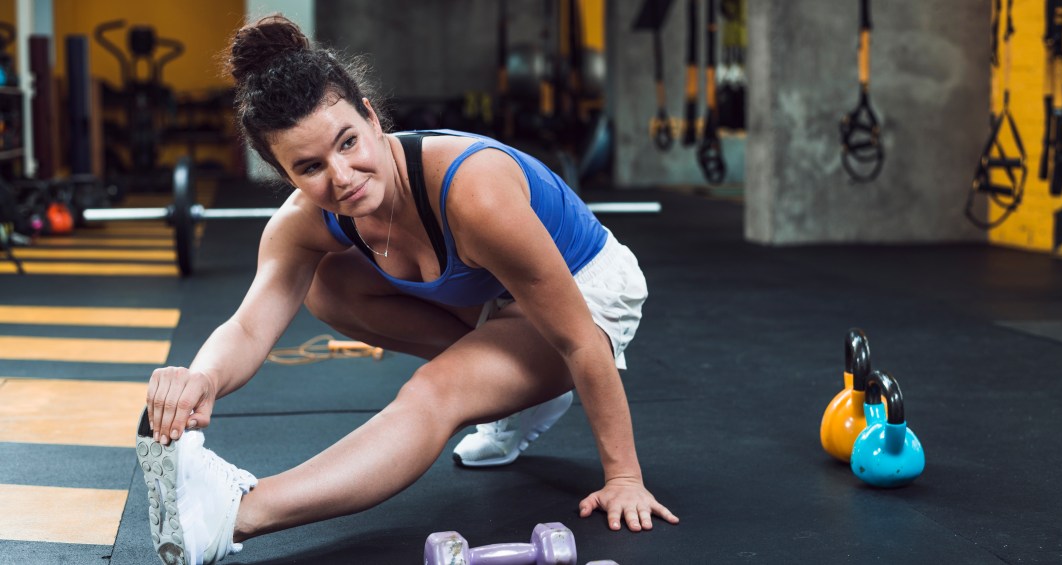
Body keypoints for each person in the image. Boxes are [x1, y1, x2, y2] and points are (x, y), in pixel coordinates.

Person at [137, 14, 678, 565]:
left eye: (348, 142)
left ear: (372, 117)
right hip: (496, 300)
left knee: (435, 392)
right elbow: (251, 324)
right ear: (283, 173)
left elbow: (580, 339)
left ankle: (235, 514)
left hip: (587, 297)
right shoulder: (302, 222)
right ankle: (509, 388)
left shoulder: (475, 192)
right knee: (325, 283)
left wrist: (625, 476)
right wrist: (201, 378)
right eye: (309, 166)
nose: (342, 176)